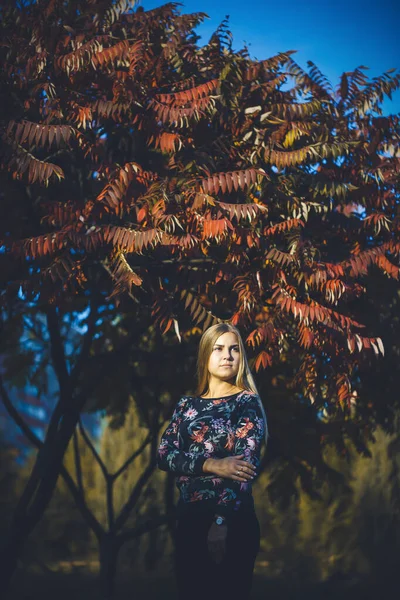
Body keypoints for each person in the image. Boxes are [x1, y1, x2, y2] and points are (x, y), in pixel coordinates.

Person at [157, 322, 268, 600]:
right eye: (218, 349)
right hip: (190, 518)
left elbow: (244, 468)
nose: (227, 355)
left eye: (234, 349)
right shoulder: (186, 405)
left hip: (232, 519)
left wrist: (221, 522)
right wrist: (212, 464)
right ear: (205, 355)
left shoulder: (247, 402)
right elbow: (165, 455)